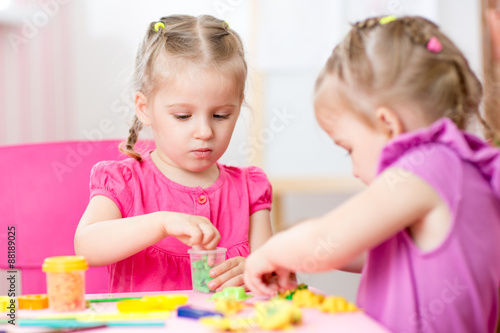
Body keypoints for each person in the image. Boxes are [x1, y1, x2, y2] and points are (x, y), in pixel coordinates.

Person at [244, 15, 500, 333]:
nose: (353, 170)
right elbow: (367, 249)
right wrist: (291, 257)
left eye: (348, 148)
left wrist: (267, 253)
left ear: (388, 124)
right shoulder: (463, 169)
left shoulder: (425, 168)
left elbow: (326, 239)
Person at [74, 15, 273, 293]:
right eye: (183, 116)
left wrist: (255, 272)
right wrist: (162, 222)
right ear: (144, 108)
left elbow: (272, 277)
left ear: (238, 107)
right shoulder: (123, 182)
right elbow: (86, 247)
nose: (204, 131)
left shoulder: (250, 189)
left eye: (220, 115)